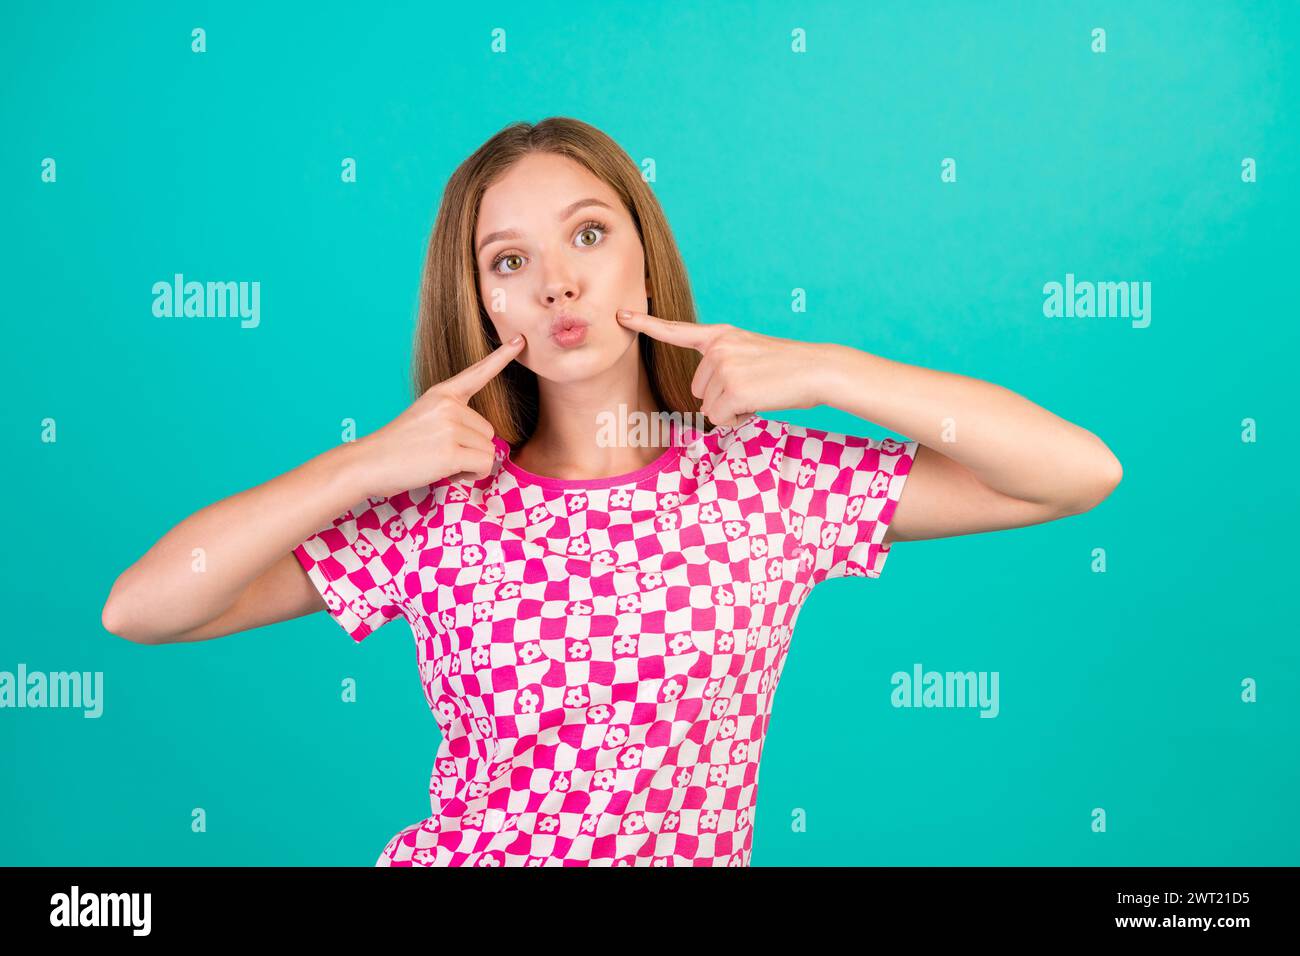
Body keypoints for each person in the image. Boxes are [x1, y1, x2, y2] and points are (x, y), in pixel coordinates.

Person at [102, 117, 1122, 866]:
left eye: (587, 234)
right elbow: (144, 606)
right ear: (482, 297)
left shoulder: (764, 481)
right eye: (510, 260)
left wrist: (828, 372)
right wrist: (361, 464)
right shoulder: (435, 507)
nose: (556, 282)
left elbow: (1075, 472)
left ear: (643, 247)